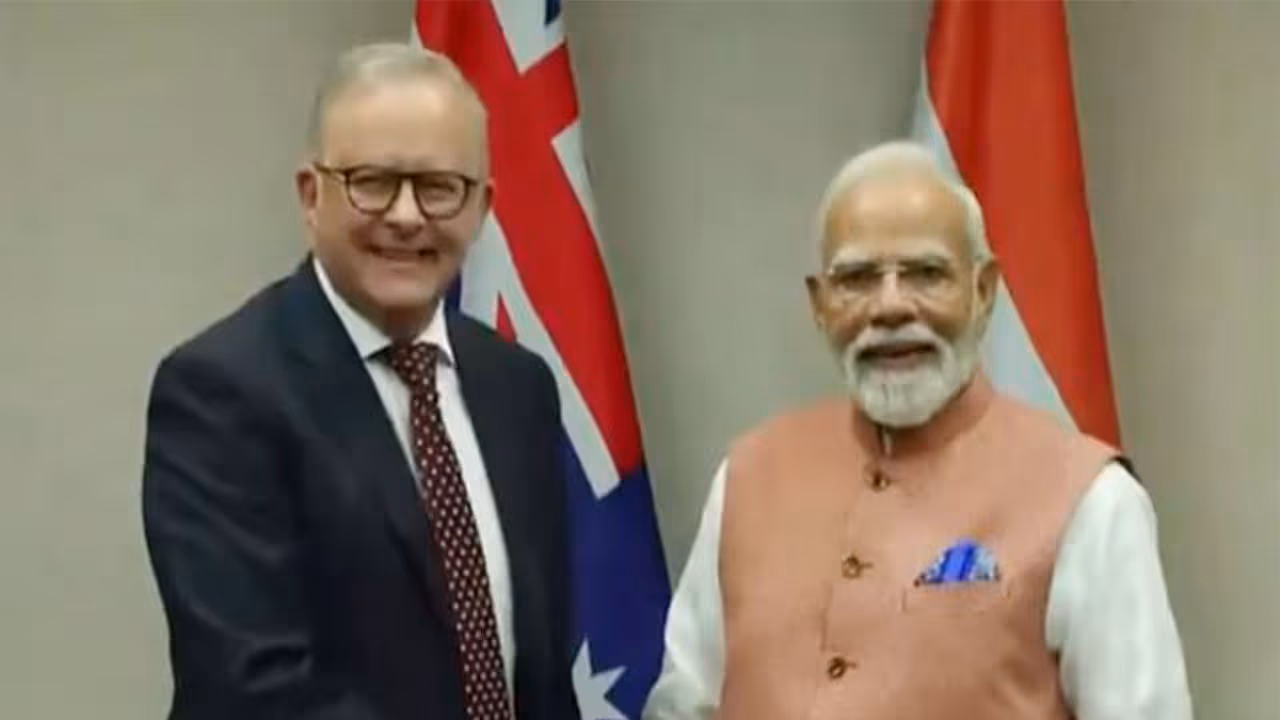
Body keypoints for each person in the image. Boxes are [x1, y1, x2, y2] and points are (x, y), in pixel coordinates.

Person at [642, 141, 1193, 720]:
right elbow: (682, 706)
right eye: (856, 278)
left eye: (926, 273)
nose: (890, 307)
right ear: (820, 304)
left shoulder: (1092, 500)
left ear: (983, 291)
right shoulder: (747, 480)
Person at [141, 43, 578, 720]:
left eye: (438, 186)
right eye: (372, 181)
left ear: (483, 207)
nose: (406, 216)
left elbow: (541, 673)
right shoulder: (219, 393)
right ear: (311, 196)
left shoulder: (518, 387)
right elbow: (253, 690)